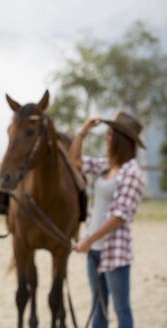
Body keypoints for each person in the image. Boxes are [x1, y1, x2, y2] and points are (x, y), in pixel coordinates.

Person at [69, 111, 146, 328]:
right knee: (98, 306)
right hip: (94, 250)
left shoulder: (133, 173)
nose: (105, 137)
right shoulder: (106, 166)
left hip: (114, 252)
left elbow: (118, 217)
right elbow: (73, 160)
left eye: (110, 134)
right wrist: (83, 131)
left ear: (121, 139)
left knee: (121, 309)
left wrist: (88, 240)